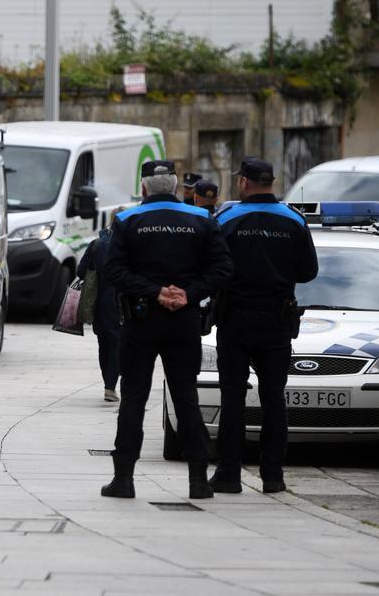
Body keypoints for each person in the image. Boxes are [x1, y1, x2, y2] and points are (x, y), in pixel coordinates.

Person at [100, 160, 233, 500]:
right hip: (183, 321)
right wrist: (187, 293)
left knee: (133, 399)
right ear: (176, 187)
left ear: (144, 188)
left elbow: (113, 270)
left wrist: (153, 291)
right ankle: (198, 481)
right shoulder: (202, 219)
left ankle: (124, 479)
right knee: (185, 398)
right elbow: (222, 268)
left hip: (141, 321)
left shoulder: (127, 220)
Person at [210, 157, 318, 495]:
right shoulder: (294, 221)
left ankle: (228, 475)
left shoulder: (225, 219)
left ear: (243, 182)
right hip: (276, 319)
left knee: (232, 399)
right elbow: (308, 272)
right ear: (272, 182)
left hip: (235, 318)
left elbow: (211, 266)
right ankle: (273, 476)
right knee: (274, 398)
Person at [76, 208, 125, 402]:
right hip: (120, 304)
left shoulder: (96, 245)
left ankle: (108, 383)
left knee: (103, 345)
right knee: (116, 345)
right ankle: (110, 386)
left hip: (97, 304)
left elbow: (80, 271)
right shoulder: (127, 246)